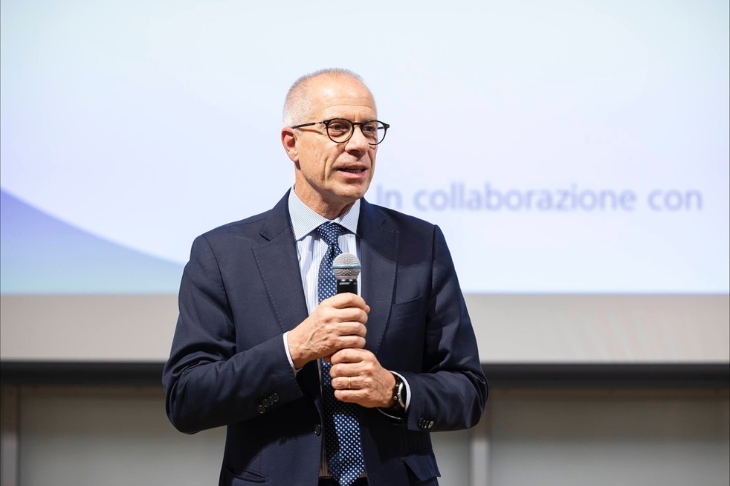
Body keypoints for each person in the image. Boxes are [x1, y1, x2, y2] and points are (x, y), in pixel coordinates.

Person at [162, 68, 487, 486]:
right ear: (291, 143)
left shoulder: (419, 245)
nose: (359, 145)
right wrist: (295, 349)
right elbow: (187, 398)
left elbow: (467, 390)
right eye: (338, 128)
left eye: (369, 130)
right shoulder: (223, 254)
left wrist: (393, 390)